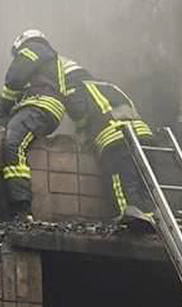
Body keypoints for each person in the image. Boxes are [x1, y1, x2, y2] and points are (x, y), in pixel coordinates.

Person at [0, 30, 69, 213]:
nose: (18, 57)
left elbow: (14, 79)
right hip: (38, 105)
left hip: (39, 105)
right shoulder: (39, 72)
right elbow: (3, 99)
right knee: (2, 129)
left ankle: (21, 206)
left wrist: (4, 107)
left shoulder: (35, 47)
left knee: (14, 144)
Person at [62, 63, 155, 222]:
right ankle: (152, 217)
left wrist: (81, 134)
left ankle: (131, 219)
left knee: (122, 181)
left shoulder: (76, 87)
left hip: (116, 138)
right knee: (145, 181)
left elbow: (79, 114)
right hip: (143, 135)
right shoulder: (110, 86)